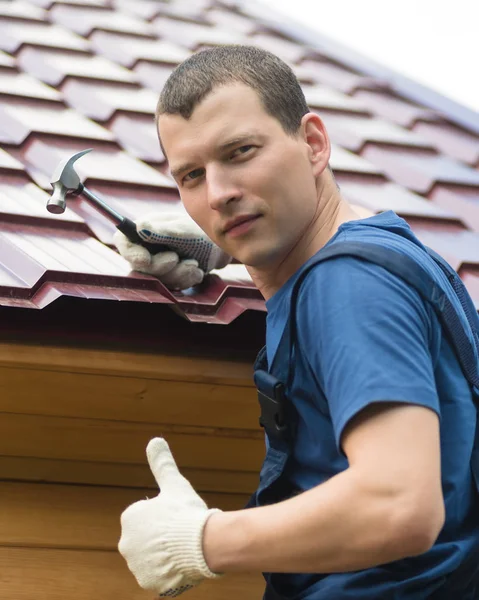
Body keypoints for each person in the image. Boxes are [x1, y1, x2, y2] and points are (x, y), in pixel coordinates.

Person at [115, 45, 479, 599]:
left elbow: (400, 505)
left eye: (240, 152)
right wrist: (232, 250)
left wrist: (202, 539)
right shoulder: (380, 257)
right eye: (191, 175)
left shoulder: (348, 285)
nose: (218, 194)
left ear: (313, 143)